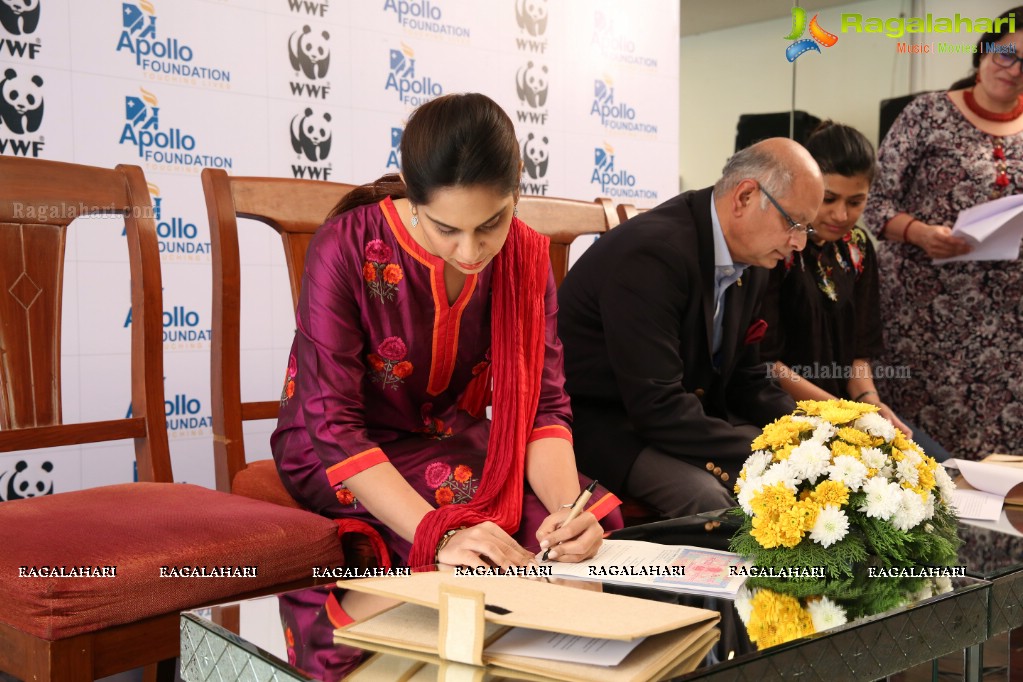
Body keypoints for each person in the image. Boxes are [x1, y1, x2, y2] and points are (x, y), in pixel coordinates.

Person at [271, 93, 621, 570]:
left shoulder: (523, 256)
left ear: (515, 191)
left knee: (586, 530)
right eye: (445, 228)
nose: (472, 250)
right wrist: (438, 534)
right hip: (336, 449)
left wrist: (567, 512)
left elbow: (544, 406)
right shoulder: (345, 246)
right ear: (414, 198)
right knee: (481, 543)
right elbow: (333, 422)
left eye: (491, 223)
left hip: (452, 436)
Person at [556, 138, 823, 518]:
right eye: (792, 223)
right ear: (745, 197)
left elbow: (748, 380)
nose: (797, 243)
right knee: (712, 502)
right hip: (605, 425)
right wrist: (765, 447)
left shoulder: (756, 258)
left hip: (679, 417)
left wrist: (810, 432)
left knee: (806, 474)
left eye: (805, 230)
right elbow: (655, 404)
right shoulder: (653, 253)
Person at [863, 7, 1023, 461]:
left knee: (1003, 468)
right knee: (922, 463)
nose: (1011, 70)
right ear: (985, 50)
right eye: (1006, 53)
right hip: (924, 322)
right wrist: (917, 232)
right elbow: (872, 203)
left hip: (1009, 331)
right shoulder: (926, 113)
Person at [761, 122, 951, 461]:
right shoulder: (777, 245)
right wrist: (842, 414)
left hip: (843, 408)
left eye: (856, 202)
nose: (841, 215)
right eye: (829, 199)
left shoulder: (859, 247)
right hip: (780, 409)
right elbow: (766, 363)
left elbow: (859, 352)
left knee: (939, 467)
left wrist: (869, 401)